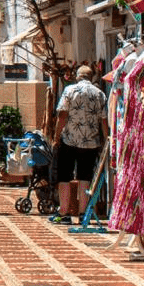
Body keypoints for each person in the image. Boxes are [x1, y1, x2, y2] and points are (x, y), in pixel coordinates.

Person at [50, 64, 108, 225]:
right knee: (85, 177)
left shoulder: (70, 90)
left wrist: (56, 136)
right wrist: (105, 140)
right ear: (91, 77)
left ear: (78, 76)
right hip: (90, 142)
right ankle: (83, 213)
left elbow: (62, 115)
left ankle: (64, 212)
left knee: (64, 177)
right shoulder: (100, 94)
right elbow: (104, 120)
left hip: (69, 140)